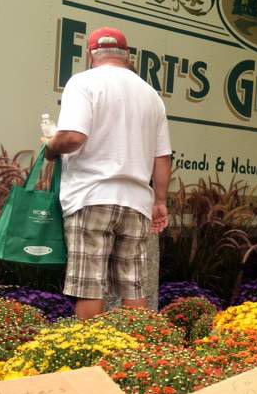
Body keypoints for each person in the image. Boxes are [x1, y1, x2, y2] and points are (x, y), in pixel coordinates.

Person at [41, 27, 171, 320]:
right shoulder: (151, 95)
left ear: (90, 54)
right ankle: (134, 351)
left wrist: (51, 147)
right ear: (126, 55)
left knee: (90, 286)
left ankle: (91, 355)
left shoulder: (83, 83)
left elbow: (73, 137)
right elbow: (162, 156)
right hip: (137, 201)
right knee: (133, 287)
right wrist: (159, 201)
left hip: (91, 195)